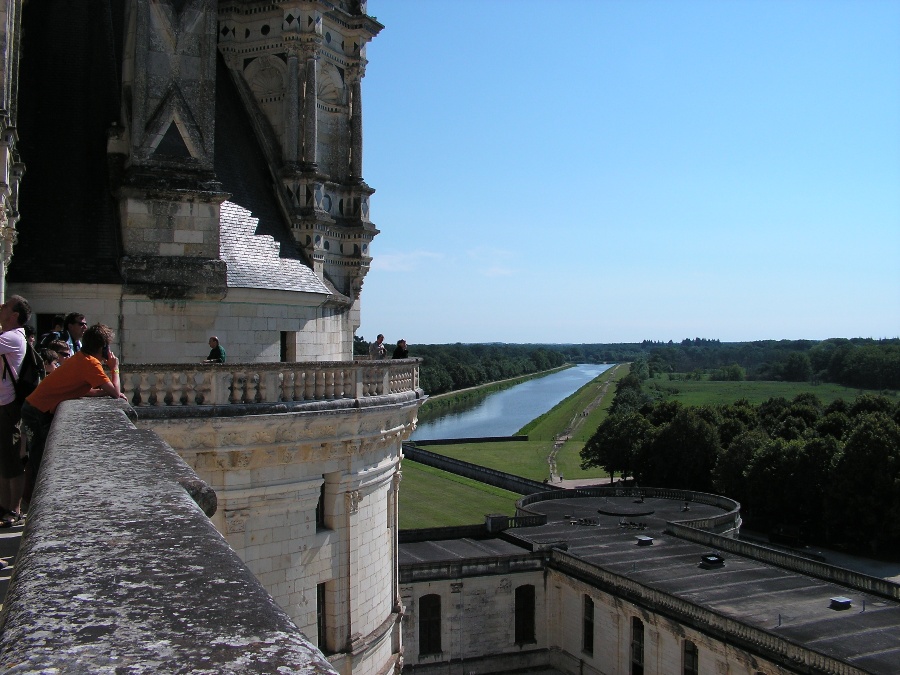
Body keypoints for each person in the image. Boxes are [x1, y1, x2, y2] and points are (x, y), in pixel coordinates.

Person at [21, 324, 125, 487]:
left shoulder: (82, 358)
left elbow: (81, 389)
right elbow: (115, 393)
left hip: (34, 407)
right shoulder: (90, 363)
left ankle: (28, 500)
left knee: (38, 459)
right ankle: (30, 502)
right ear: (103, 347)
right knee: (40, 461)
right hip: (37, 411)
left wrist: (103, 392)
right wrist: (115, 369)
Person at [0, 295, 31, 526]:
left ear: (14, 316)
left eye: (6, 305)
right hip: (3, 405)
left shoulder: (13, 337)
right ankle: (4, 507)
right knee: (4, 460)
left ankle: (15, 509)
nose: (1, 306)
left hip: (8, 406)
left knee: (12, 459)